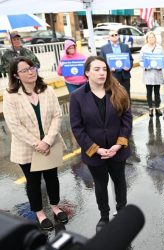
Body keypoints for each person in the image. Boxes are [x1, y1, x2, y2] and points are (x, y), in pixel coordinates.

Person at [3, 57, 68, 231]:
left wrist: (47, 141)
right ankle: (39, 213)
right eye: (24, 70)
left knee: (52, 178)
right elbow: (14, 125)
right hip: (27, 148)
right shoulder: (10, 96)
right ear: (16, 75)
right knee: (33, 182)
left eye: (32, 68)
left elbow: (57, 116)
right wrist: (36, 143)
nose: (30, 72)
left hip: (50, 143)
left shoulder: (47, 90)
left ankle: (55, 207)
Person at [69, 56, 132, 233]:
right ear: (87, 72)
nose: (102, 73)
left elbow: (127, 120)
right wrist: (96, 149)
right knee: (100, 184)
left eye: (104, 69)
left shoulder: (118, 91)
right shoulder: (77, 96)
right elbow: (77, 127)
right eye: (96, 69)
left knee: (119, 181)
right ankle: (104, 216)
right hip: (94, 152)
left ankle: (121, 212)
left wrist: (119, 145)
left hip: (117, 151)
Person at [100, 30, 134, 97]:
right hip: (112, 75)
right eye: (112, 35)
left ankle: (127, 107)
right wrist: (108, 69)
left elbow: (130, 59)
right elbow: (102, 63)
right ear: (109, 37)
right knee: (113, 94)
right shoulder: (104, 48)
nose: (114, 36)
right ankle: (114, 108)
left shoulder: (125, 46)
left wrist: (129, 67)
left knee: (126, 94)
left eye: (116, 35)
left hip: (124, 74)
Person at [139, 31, 164, 117]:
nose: (151, 39)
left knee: (157, 92)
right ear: (147, 39)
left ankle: (157, 108)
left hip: (157, 72)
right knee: (149, 92)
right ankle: (150, 108)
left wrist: (160, 66)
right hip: (148, 73)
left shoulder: (159, 48)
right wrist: (145, 66)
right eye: (149, 37)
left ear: (155, 38)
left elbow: (162, 60)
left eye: (153, 37)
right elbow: (140, 61)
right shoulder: (144, 48)